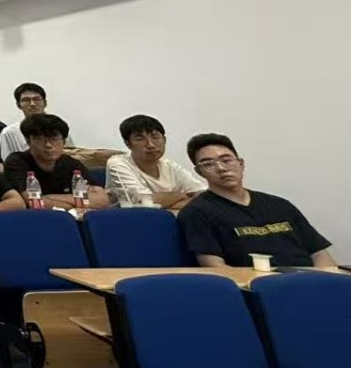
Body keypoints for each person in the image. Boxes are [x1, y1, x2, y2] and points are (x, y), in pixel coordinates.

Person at [180, 134, 336, 268]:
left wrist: (326, 281)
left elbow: (319, 253)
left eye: (226, 160)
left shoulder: (280, 205)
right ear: (199, 172)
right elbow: (215, 267)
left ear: (241, 164)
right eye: (208, 164)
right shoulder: (197, 212)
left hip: (310, 281)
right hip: (258, 286)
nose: (221, 168)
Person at [2, 114, 102, 209]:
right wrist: (78, 204)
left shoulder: (70, 163)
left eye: (54, 138)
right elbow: (34, 202)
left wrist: (48, 198)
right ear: (28, 141)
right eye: (40, 139)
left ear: (64, 141)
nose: (48, 145)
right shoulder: (16, 162)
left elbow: (102, 200)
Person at [106, 115, 206, 209]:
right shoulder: (118, 164)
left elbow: (203, 194)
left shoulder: (169, 165)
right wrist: (180, 195)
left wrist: (166, 202)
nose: (151, 145)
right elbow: (142, 203)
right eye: (140, 139)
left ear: (164, 140)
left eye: (155, 137)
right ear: (128, 144)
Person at [0, 83, 49, 158]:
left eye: (36, 99)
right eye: (26, 100)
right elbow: (8, 161)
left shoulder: (58, 127)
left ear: (45, 103)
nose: (32, 104)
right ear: (18, 105)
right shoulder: (9, 133)